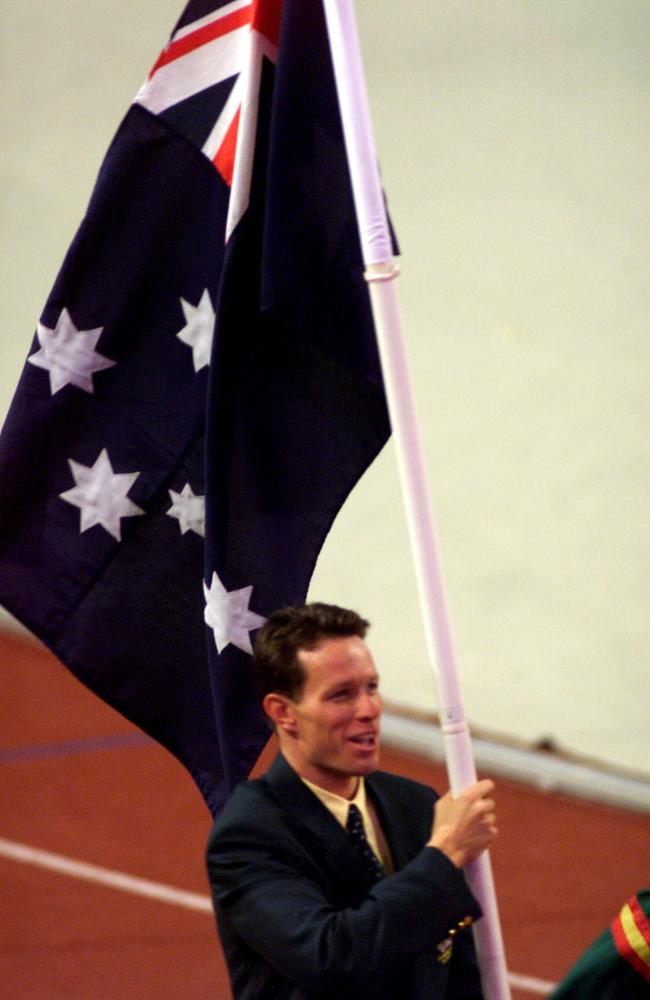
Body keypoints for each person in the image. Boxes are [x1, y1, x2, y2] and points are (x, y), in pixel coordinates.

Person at [206, 603, 498, 999]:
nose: (369, 710)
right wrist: (444, 855)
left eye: (371, 687)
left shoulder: (415, 804)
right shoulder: (248, 836)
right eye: (341, 695)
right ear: (283, 712)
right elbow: (333, 959)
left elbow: (457, 973)